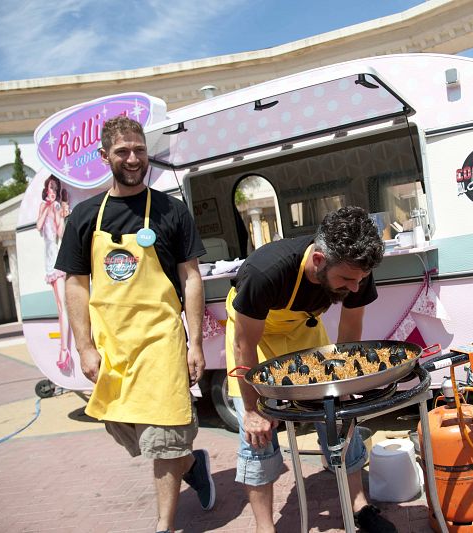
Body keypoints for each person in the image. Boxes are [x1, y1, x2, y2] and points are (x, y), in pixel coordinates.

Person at [56, 116, 215, 533]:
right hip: (113, 345)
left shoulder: (171, 211)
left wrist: (194, 342)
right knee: (123, 425)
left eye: (139, 149)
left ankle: (163, 525)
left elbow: (191, 277)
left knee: (163, 436)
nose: (133, 158)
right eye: (123, 151)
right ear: (104, 156)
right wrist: (85, 347)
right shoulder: (85, 216)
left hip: (161, 339)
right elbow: (75, 284)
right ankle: (191, 465)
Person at [225, 206, 396, 533]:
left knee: (340, 417)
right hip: (253, 340)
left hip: (304, 333)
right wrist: (252, 410)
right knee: (257, 435)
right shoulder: (265, 273)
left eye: (360, 279)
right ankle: (265, 526)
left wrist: (343, 387)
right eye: (347, 280)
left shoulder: (355, 268)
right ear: (318, 261)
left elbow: (349, 332)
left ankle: (359, 505)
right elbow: (243, 345)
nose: (355, 288)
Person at [37, 175, 73, 372]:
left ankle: (64, 350)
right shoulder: (45, 206)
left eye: (55, 187)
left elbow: (60, 233)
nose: (52, 190)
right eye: (50, 187)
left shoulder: (58, 207)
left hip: (59, 259)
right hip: (49, 259)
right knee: (61, 306)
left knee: (64, 306)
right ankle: (65, 349)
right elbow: (39, 226)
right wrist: (49, 208)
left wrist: (60, 212)